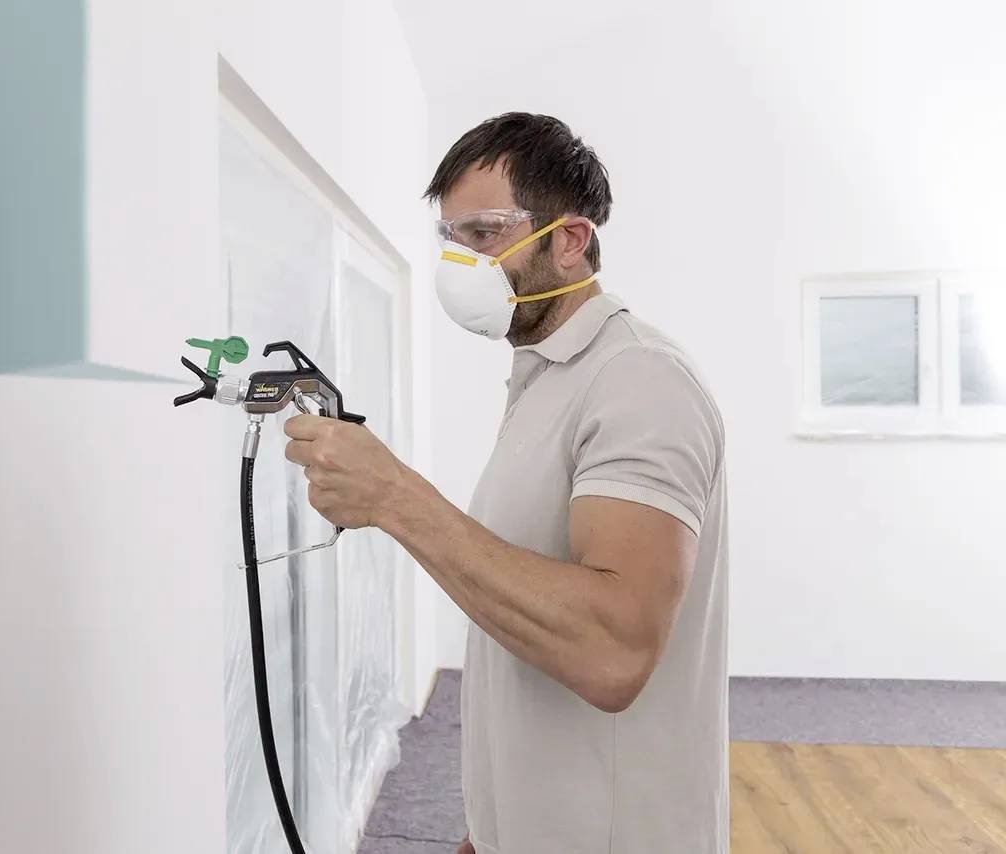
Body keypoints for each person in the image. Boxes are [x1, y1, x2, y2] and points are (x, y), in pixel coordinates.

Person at [284, 112, 728, 854]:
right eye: (451, 240)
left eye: (484, 235)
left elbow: (611, 651)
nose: (460, 263)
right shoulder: (546, 377)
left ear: (570, 240)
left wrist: (394, 496)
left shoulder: (640, 379)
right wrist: (493, 825)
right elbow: (520, 593)